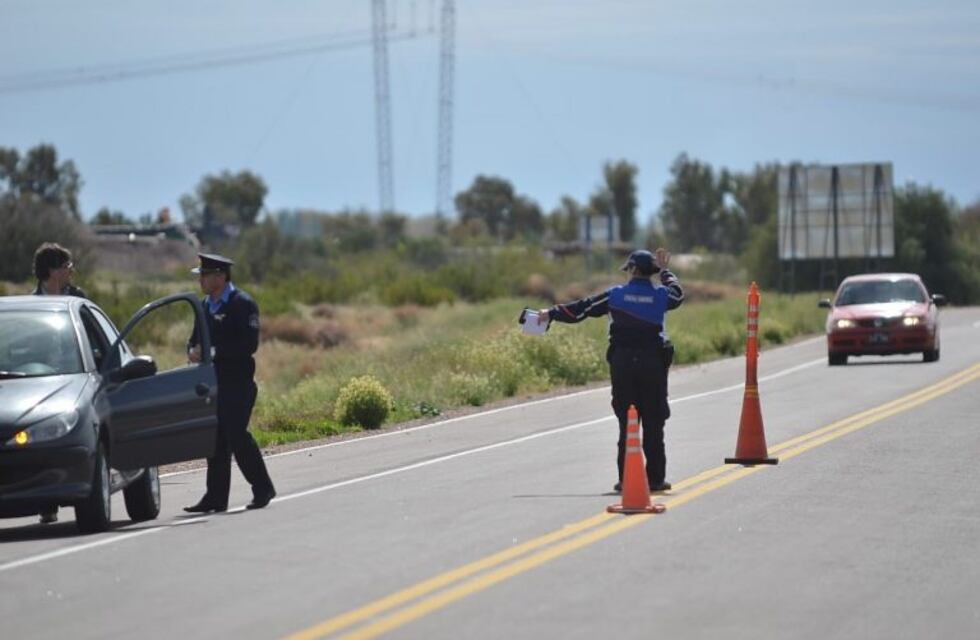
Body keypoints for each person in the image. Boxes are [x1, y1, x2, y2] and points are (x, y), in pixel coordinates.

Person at [537, 248, 684, 493]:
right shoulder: (660, 296)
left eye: (628, 269)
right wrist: (666, 271)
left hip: (623, 364)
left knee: (627, 422)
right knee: (654, 421)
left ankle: (627, 479)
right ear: (650, 273)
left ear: (634, 270)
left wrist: (550, 313)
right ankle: (655, 479)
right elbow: (678, 295)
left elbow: (581, 309)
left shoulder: (615, 296)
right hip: (653, 365)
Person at [184, 253, 276, 513]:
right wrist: (192, 349)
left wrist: (212, 351)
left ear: (220, 277)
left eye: (205, 275)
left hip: (238, 383)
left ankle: (262, 487)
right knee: (216, 441)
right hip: (212, 383)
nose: (201, 280)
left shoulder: (242, 304)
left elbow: (249, 344)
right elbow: (195, 339)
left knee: (237, 435)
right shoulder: (204, 306)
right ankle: (215, 497)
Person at [31, 242, 87, 524]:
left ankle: (87, 499)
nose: (71, 270)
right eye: (66, 266)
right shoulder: (30, 305)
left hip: (77, 379)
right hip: (38, 382)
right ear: (52, 271)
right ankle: (46, 503)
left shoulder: (78, 299)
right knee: (42, 442)